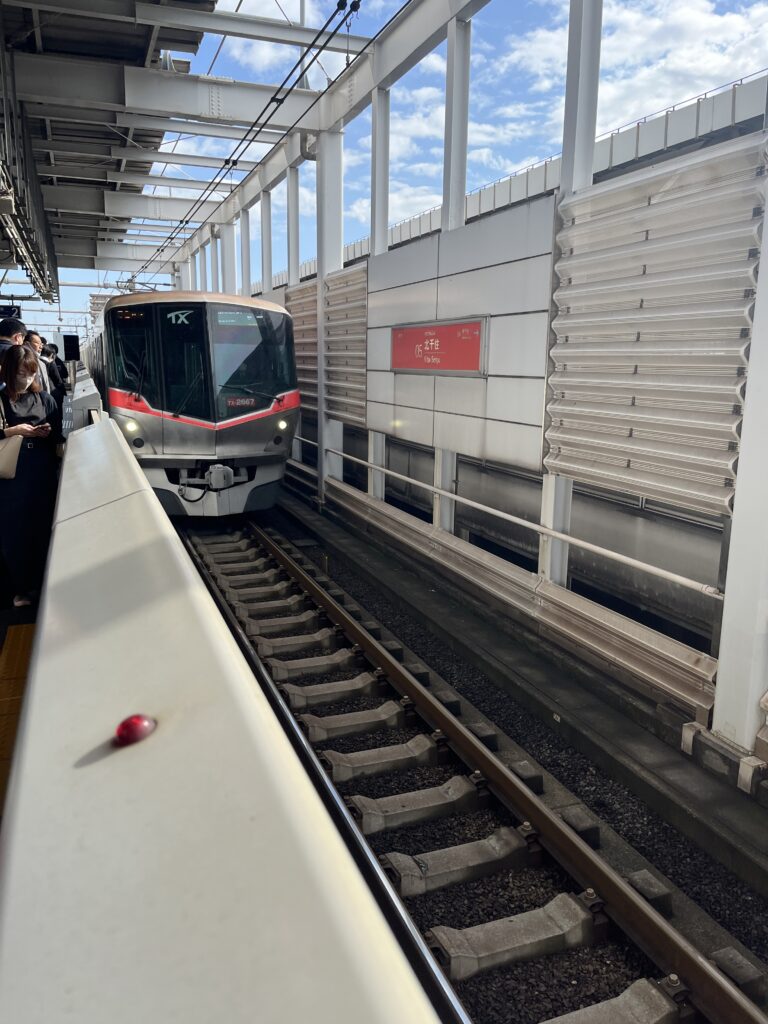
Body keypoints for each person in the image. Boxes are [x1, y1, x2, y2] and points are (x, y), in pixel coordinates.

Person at [0, 346, 60, 607]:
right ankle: (21, 587)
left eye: (29, 374)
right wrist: (11, 431)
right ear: (7, 372)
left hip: (43, 469)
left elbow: (63, 428)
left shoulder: (45, 399)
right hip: (11, 474)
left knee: (44, 526)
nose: (24, 380)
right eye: (19, 374)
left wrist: (49, 430)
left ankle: (43, 583)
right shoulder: (1, 400)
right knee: (14, 531)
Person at [40, 343, 65, 410]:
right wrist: (63, 391)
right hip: (53, 392)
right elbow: (58, 380)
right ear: (51, 354)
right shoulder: (51, 364)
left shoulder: (36, 361)